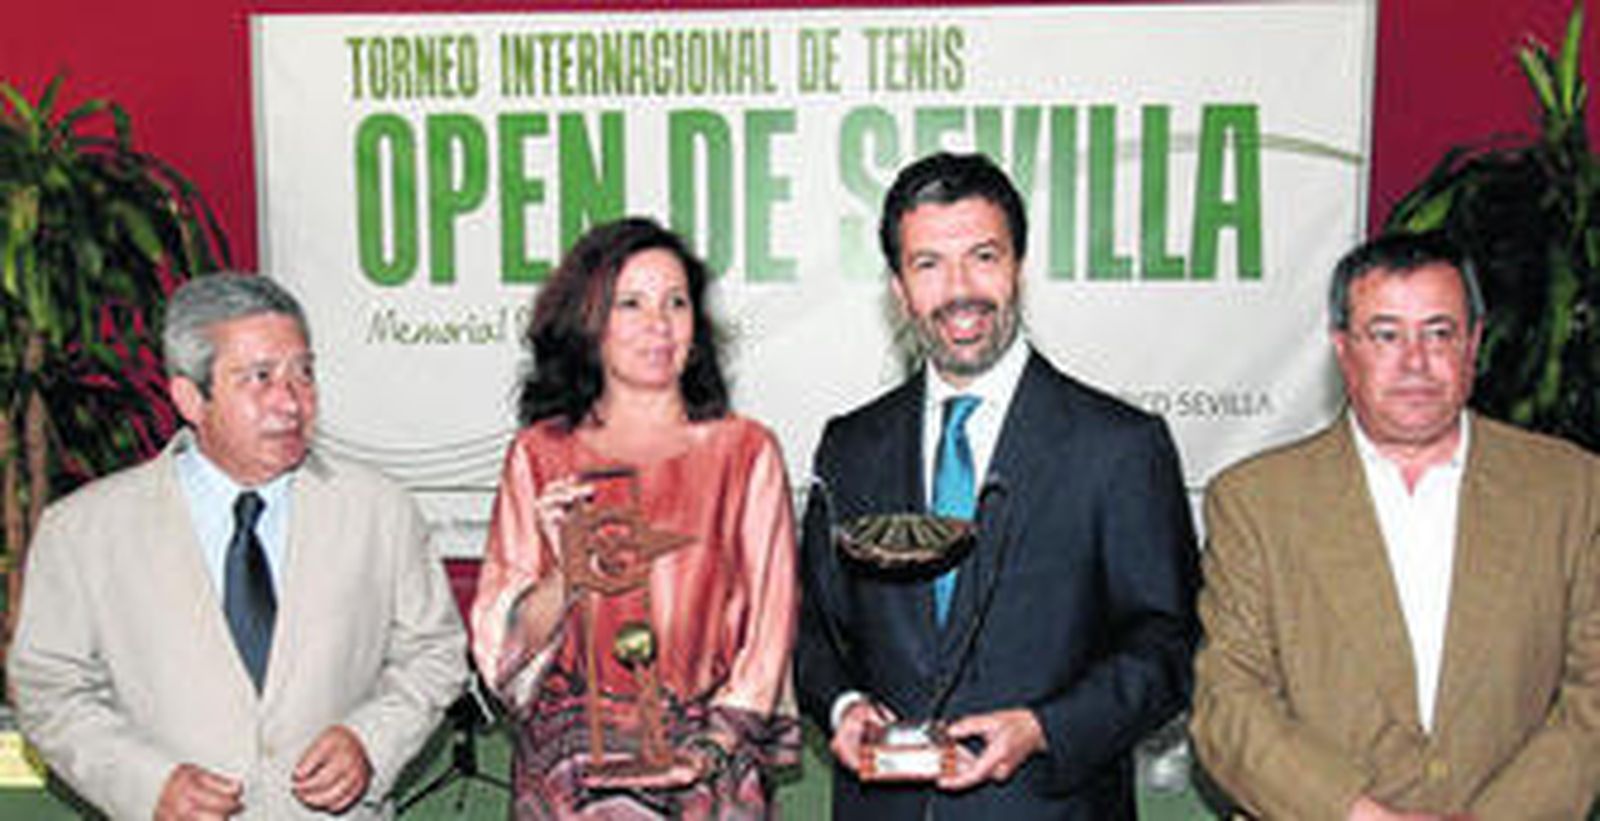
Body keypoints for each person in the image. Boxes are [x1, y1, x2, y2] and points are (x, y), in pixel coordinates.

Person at [795, 151, 1201, 819]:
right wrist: (841, 703)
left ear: (1018, 268)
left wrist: (1047, 726)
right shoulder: (849, 446)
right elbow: (813, 629)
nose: (960, 289)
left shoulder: (1119, 446)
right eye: (928, 263)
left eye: (983, 256)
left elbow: (1169, 646)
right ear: (899, 288)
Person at [9, 273, 467, 819]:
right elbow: (48, 690)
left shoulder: (379, 509)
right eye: (259, 377)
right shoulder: (84, 531)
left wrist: (370, 742)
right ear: (189, 397)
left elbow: (434, 654)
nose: (291, 402)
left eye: (304, 373)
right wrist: (147, 785)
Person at [1190, 231, 1600, 819]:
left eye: (1438, 333)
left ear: (1473, 343)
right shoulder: (1256, 502)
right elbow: (1228, 704)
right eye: (1385, 335)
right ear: (1341, 347)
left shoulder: (1573, 490)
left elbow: (1592, 696)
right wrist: (1356, 815)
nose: (1415, 362)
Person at [470, 217, 799, 819]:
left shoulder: (746, 451)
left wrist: (713, 749)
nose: (658, 324)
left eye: (676, 302)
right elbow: (501, 652)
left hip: (710, 774)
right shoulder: (540, 454)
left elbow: (770, 630)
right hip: (570, 779)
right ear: (589, 321)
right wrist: (568, 573)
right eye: (631, 304)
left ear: (697, 328)